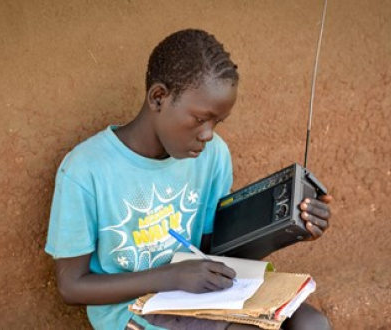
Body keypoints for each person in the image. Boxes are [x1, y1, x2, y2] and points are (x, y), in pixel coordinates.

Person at [45, 29, 333, 330]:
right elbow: (71, 286)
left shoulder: (213, 155)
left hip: (199, 294)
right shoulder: (86, 170)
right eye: (199, 119)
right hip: (131, 309)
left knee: (312, 323)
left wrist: (291, 228)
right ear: (159, 98)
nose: (208, 134)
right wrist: (170, 277)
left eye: (217, 122)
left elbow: (215, 252)